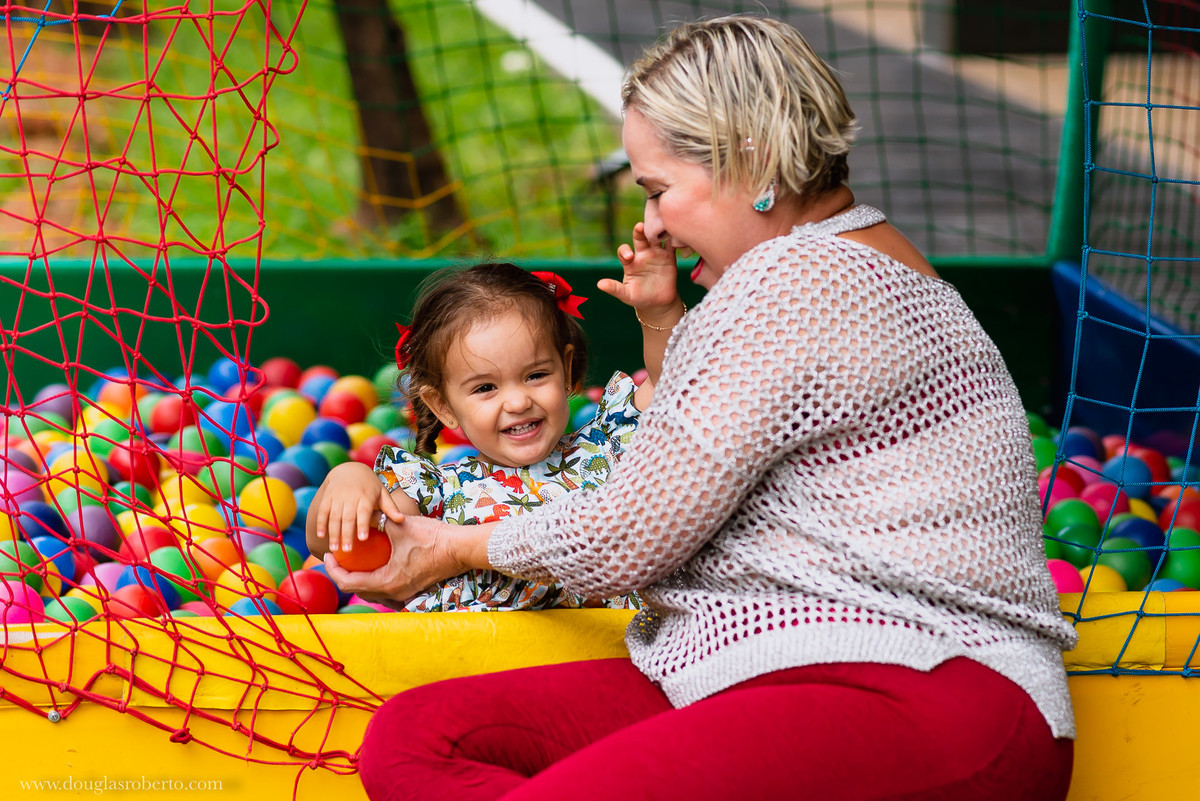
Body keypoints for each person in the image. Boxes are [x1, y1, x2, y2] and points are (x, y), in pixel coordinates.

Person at [327, 15, 1078, 800]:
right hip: (757, 668)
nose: (652, 223)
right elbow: (693, 445)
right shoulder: (850, 262)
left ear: (748, 158)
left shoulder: (796, 279)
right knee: (418, 739)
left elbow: (629, 536)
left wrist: (453, 546)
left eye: (658, 190)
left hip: (922, 688)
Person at [306, 253, 682, 611]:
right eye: (485, 388)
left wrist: (660, 311)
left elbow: (674, 385)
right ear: (443, 406)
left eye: (536, 375)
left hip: (620, 649)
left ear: (566, 370)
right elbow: (343, 544)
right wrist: (347, 480)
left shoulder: (606, 449)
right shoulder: (439, 496)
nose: (518, 402)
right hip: (486, 655)